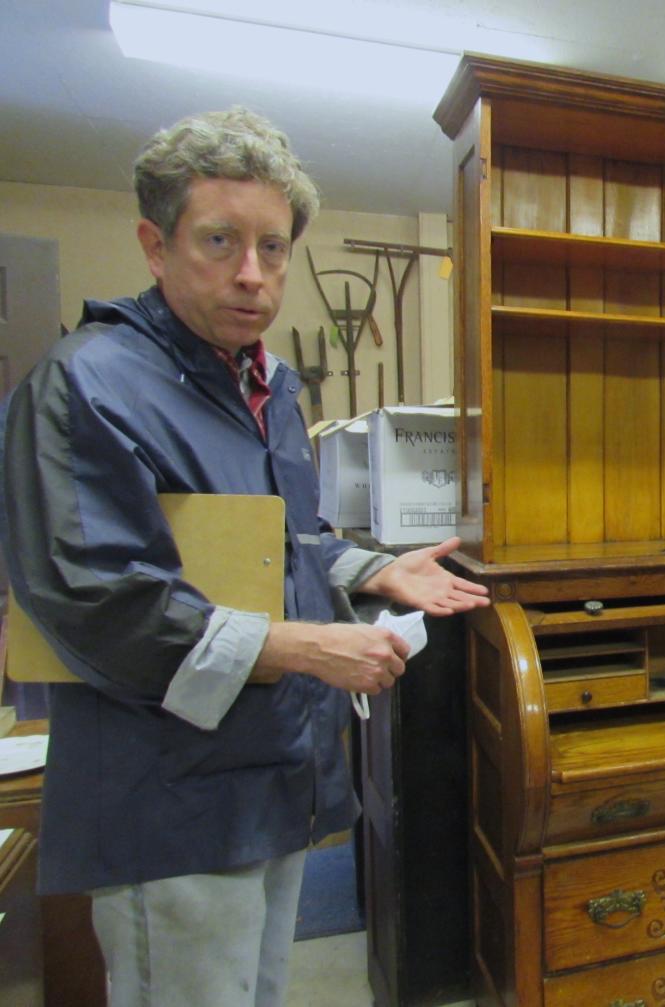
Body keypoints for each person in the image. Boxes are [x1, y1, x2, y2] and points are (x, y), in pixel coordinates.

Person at [0, 107, 488, 1007]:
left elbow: (284, 537)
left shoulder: (265, 383)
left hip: (271, 776)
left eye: (273, 246)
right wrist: (308, 647)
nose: (252, 274)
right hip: (166, 801)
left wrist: (371, 569)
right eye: (219, 241)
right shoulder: (85, 384)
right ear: (155, 243)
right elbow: (98, 598)